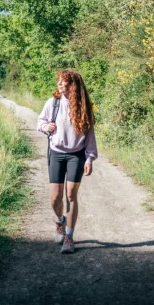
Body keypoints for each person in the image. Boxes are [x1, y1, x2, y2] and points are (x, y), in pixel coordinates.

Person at [37, 70, 98, 254]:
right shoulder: (53, 103)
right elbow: (39, 122)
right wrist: (46, 126)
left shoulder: (84, 107)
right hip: (56, 153)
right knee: (55, 197)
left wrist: (89, 158)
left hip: (76, 155)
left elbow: (90, 135)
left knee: (71, 194)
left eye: (65, 83)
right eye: (60, 82)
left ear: (74, 86)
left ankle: (69, 237)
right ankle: (59, 221)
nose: (61, 85)